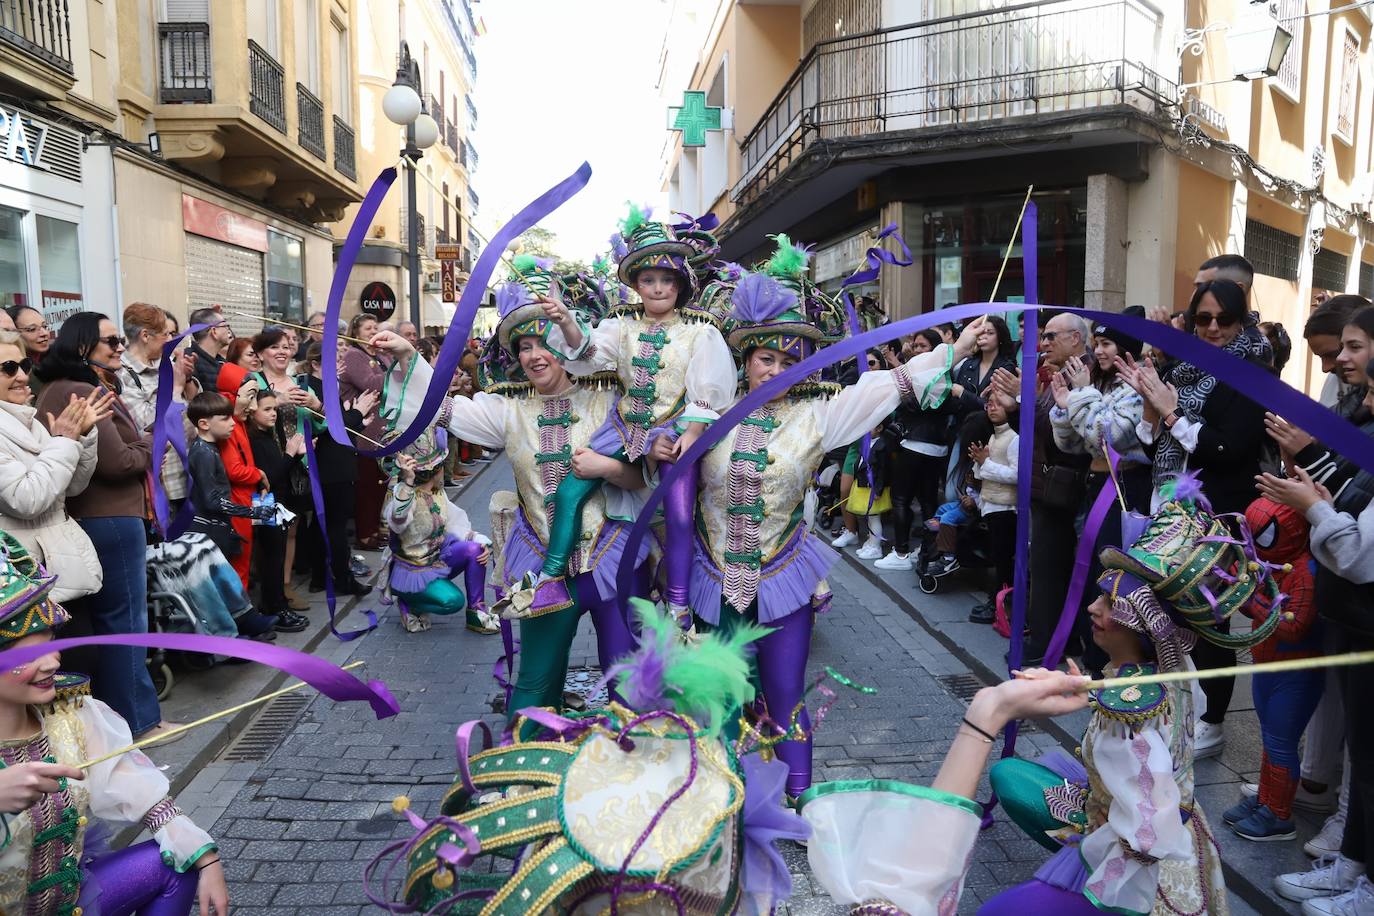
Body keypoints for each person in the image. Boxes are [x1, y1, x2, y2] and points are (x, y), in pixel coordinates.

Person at [680, 252, 981, 797]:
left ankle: (799, 798)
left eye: (786, 360)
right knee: (719, 693)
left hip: (782, 576)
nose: (773, 370)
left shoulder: (819, 414)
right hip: (713, 575)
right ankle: (718, 799)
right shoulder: (712, 416)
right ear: (745, 360)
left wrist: (951, 351)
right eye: (763, 358)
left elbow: (885, 388)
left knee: (785, 691)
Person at [980, 476, 1281, 915]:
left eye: (1108, 604)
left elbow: (1149, 830)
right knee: (1011, 778)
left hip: (1137, 864)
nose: (1092, 609)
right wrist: (1092, 688)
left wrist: (1103, 866)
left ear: (1141, 624)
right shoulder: (1175, 669)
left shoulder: (1127, 716)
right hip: (1169, 825)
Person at [372, 260, 649, 717]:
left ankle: (638, 774)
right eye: (524, 346)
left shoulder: (611, 399)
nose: (535, 355)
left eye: (545, 343)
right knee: (536, 681)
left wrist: (608, 468)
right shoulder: (508, 410)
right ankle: (522, 771)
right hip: (542, 565)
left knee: (629, 684)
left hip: (613, 560)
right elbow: (439, 408)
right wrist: (408, 356)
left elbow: (644, 480)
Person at [0, 532, 230, 915]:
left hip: (68, 903)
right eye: (33, 654)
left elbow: (140, 791)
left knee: (175, 864)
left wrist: (205, 858)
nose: (53, 662)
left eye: (53, 643)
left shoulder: (69, 716)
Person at [537, 211, 736, 622]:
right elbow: (588, 354)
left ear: (679, 284)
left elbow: (708, 391)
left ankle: (680, 602)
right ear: (636, 285)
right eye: (648, 280)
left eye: (666, 279)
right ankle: (550, 579)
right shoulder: (620, 325)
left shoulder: (700, 331)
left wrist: (693, 433)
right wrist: (567, 322)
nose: (658, 287)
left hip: (676, 432)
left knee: (679, 513)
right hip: (622, 429)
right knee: (570, 490)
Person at [1117, 279, 1271, 757]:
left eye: (1224, 319)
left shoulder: (1253, 371)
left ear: (1242, 320)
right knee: (1169, 611)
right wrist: (1151, 406)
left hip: (1218, 511)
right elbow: (1150, 446)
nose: (1213, 329)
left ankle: (1212, 719)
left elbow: (1227, 449)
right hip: (1171, 505)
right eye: (1202, 319)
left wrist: (1170, 412)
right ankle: (1176, 704)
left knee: (1212, 618)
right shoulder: (1182, 369)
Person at [32, 312, 180, 742]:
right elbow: (121, 463)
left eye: (119, 340)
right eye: (111, 341)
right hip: (110, 519)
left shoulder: (57, 389)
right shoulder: (81, 390)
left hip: (92, 519)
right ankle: (140, 722)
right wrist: (157, 435)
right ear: (83, 348)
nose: (119, 347)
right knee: (126, 622)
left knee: (100, 626)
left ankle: (114, 724)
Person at [1258, 440, 1374, 915]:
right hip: (1354, 625)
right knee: (1363, 760)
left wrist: (1316, 510)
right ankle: (1352, 862)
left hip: (1359, 622)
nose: (1345, 361)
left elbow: (1359, 556)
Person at [1048, 307, 1150, 668]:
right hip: (1095, 487)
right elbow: (1074, 444)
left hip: (1124, 490)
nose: (1099, 351)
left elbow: (1107, 437)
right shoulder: (1101, 384)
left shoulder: (1135, 387)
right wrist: (1064, 407)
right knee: (1088, 570)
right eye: (1097, 343)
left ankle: (1109, 659)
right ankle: (1093, 656)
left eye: (1107, 343)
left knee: (1107, 576)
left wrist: (1079, 396)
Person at [992, 312, 1092, 667]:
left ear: (1076, 340)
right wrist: (1015, 408)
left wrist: (1023, 403)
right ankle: (1057, 637)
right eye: (1043, 337)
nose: (1043, 343)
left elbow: (1059, 439)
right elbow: (1038, 432)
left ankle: (1049, 642)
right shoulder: (1056, 376)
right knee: (1046, 564)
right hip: (1045, 484)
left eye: (1051, 336)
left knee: (1051, 567)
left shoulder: (1082, 378)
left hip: (1064, 488)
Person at [1222, 496, 1323, 842]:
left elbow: (1295, 626)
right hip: (1267, 664)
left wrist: (1251, 601)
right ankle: (1266, 801)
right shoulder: (1274, 564)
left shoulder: (1305, 573)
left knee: (1281, 742)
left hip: (1294, 671)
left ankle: (1279, 815)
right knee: (1271, 740)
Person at [0, 330, 111, 602]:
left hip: (59, 567)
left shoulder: (30, 421)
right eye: (8, 369)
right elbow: (26, 499)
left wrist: (80, 438)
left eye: (25, 366)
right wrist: (63, 441)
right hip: (23, 580)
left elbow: (70, 488)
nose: (23, 377)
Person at [186, 391, 289, 637]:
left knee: (228, 579)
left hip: (219, 526)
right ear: (204, 423)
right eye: (225, 418)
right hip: (210, 528)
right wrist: (251, 511)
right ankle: (234, 633)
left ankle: (244, 624)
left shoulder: (210, 449)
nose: (233, 423)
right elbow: (213, 501)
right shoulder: (203, 452)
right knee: (222, 583)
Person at [383, 434, 499, 635]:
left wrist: (478, 541)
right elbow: (398, 519)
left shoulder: (438, 493)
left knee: (475, 549)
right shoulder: (402, 494)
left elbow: (455, 523)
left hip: (437, 559)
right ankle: (410, 602)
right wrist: (408, 482)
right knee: (452, 602)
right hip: (413, 570)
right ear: (436, 471)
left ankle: (476, 611)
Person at [299, 342, 375, 596]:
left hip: (337, 461)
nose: (341, 365)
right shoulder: (313, 388)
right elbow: (334, 426)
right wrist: (357, 414)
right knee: (335, 525)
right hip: (331, 464)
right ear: (316, 364)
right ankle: (342, 579)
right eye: (335, 359)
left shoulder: (327, 387)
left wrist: (358, 420)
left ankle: (321, 577)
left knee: (326, 524)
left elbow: (342, 425)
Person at [878, 329, 956, 571]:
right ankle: (925, 551)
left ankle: (901, 552)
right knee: (928, 502)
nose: (917, 349)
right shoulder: (945, 372)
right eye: (915, 345)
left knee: (901, 499)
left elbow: (909, 404)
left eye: (923, 346)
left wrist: (900, 368)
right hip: (936, 447)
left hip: (913, 445)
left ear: (934, 348)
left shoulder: (923, 374)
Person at [255, 326, 320, 613]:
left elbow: (321, 425)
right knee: (266, 528)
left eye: (285, 346)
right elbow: (241, 415)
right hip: (266, 465)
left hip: (298, 466)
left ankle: (285, 586)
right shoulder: (252, 382)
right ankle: (266, 591)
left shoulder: (300, 383)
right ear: (260, 354)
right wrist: (276, 401)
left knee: (291, 527)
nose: (281, 352)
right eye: (274, 347)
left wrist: (318, 405)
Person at [243, 387, 311, 629]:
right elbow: (269, 476)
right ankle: (275, 607)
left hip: (276, 502)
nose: (274, 414)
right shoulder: (255, 440)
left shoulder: (267, 435)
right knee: (272, 557)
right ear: (252, 412)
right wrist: (290, 455)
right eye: (267, 409)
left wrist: (295, 454)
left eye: (275, 409)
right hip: (266, 503)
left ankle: (278, 604)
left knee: (277, 555)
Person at [119, 302, 196, 514]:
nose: (170, 340)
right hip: (164, 483)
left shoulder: (165, 363)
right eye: (165, 334)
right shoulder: (123, 374)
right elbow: (144, 425)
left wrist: (187, 380)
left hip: (188, 471)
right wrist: (175, 388)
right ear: (145, 335)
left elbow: (193, 410)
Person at [339, 313, 388, 551]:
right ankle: (365, 534)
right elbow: (372, 384)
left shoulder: (380, 355)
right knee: (366, 487)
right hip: (363, 433)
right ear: (356, 333)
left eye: (375, 327)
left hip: (382, 431)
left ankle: (375, 529)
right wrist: (392, 375)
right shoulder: (353, 355)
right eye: (368, 328)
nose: (373, 331)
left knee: (380, 484)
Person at [967, 393, 1018, 624]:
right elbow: (985, 470)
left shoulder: (1015, 438)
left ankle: (1000, 605)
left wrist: (985, 463)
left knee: (1002, 559)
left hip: (1007, 507)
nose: (991, 407)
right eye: (989, 403)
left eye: (998, 404)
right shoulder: (993, 435)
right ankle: (995, 602)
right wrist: (980, 463)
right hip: (990, 504)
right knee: (997, 558)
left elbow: (1017, 475)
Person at [187, 306, 232, 393]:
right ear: (214, 331)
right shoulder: (189, 359)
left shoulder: (221, 362)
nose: (228, 330)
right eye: (225, 326)